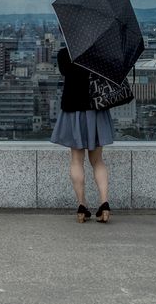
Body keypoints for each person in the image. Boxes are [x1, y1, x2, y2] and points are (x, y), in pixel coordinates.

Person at [50, 45, 114, 223]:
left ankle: (81, 206)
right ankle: (104, 204)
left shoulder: (65, 53)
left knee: (76, 160)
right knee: (98, 161)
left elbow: (65, 72)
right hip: (96, 109)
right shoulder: (99, 53)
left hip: (73, 109)